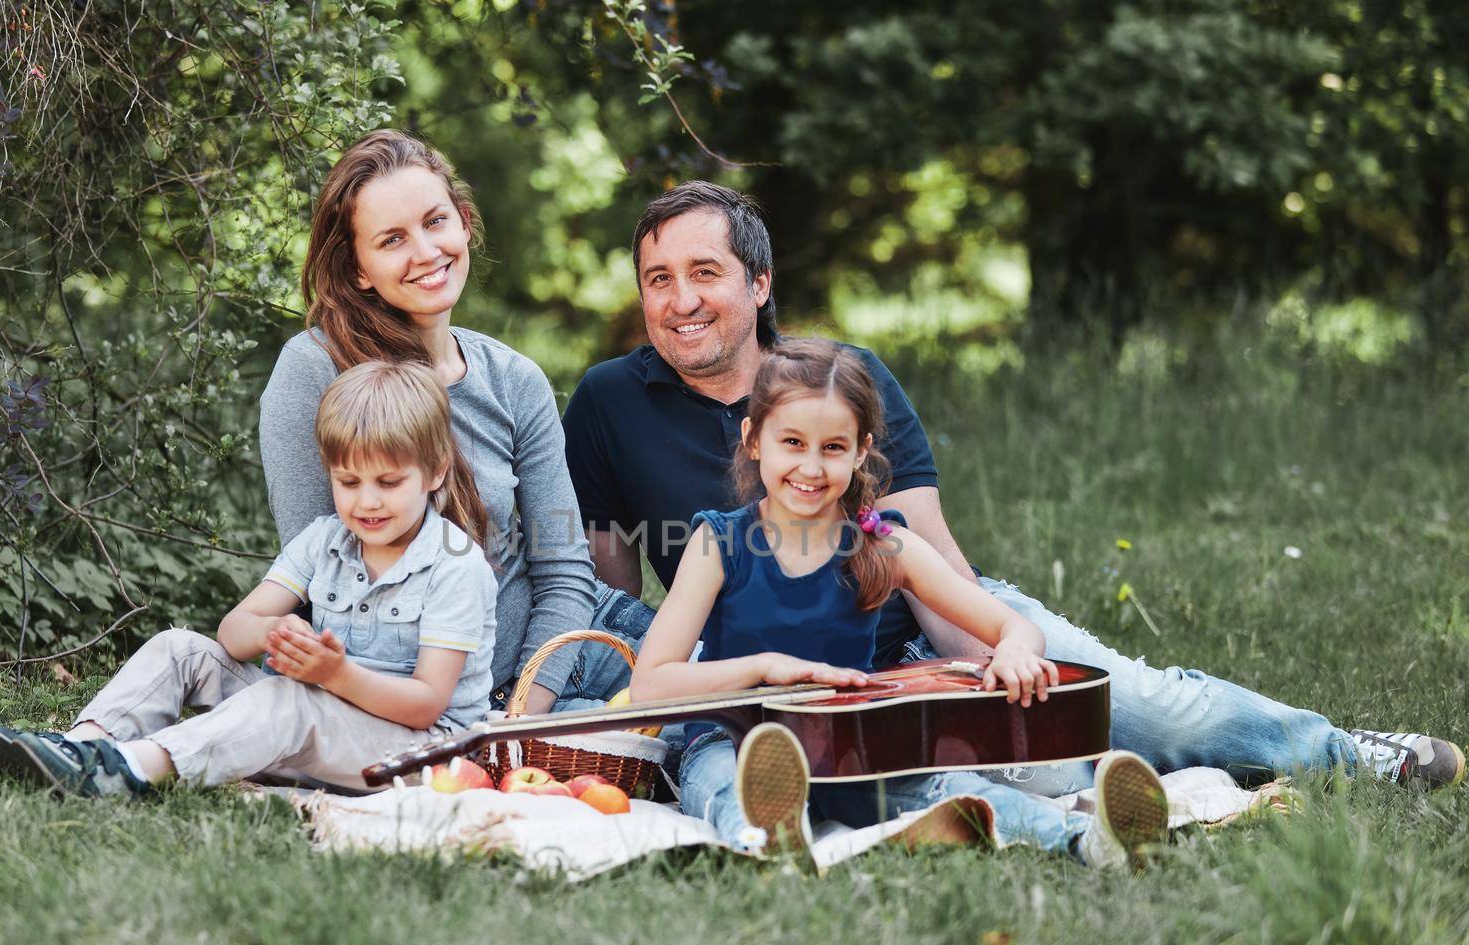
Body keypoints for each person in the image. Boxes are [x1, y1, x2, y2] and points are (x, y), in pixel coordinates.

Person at [563, 180, 1464, 795]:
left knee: (1139, 705)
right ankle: (1151, 793)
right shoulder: (609, 401)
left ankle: (1344, 752)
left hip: (915, 641)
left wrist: (983, 671)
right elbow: (612, 597)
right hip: (770, 691)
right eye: (657, 279)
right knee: (1041, 780)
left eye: (704, 273)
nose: (679, 299)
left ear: (759, 284)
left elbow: (924, 556)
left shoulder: (843, 381)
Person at [629, 338, 1169, 867]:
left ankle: (1089, 841)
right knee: (726, 790)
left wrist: (1015, 653)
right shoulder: (718, 544)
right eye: (791, 443)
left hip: (847, 748)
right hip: (734, 742)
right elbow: (652, 683)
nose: (811, 468)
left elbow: (1011, 627)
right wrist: (767, 669)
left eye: (833, 448)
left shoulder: (885, 545)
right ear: (753, 439)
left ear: (861, 449)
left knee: (958, 790)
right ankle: (771, 838)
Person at [0, 362, 498, 798]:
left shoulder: (455, 565)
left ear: (436, 472)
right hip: (323, 721)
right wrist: (274, 631)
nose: (367, 500)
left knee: (290, 701)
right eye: (348, 481)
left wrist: (335, 675)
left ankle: (133, 770)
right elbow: (231, 634)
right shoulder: (325, 539)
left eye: (388, 481)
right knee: (181, 648)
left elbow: (428, 703)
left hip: (416, 754)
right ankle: (78, 751)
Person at [259, 129, 646, 719]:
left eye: (435, 222)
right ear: (359, 268)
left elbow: (564, 569)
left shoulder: (514, 380)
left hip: (560, 646)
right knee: (686, 735)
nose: (424, 252)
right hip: (431, 695)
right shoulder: (315, 370)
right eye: (392, 239)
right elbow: (322, 574)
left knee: (737, 686)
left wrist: (525, 710)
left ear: (464, 223)